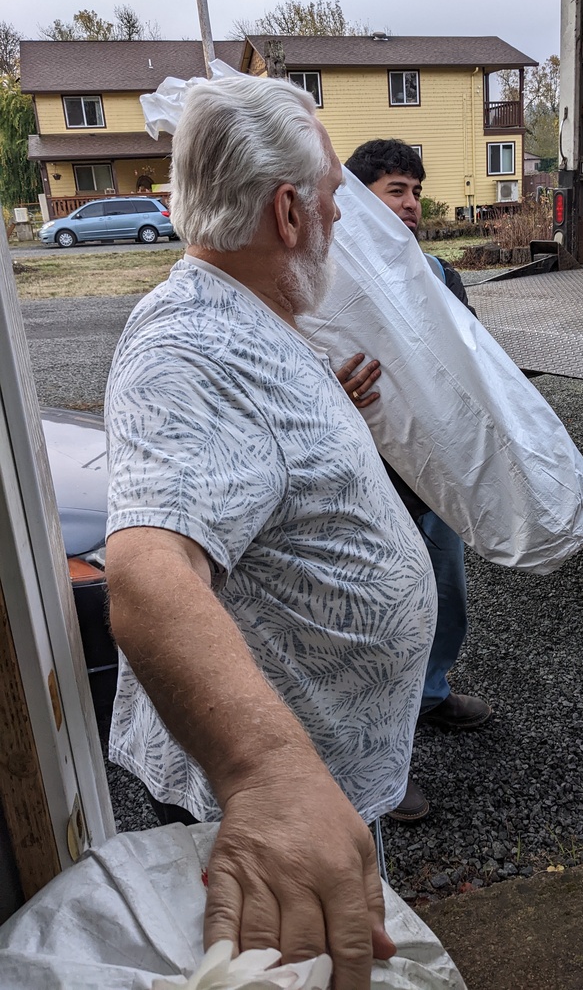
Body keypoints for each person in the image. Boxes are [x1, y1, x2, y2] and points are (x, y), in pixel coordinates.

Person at [103, 77, 438, 990]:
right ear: (288, 211)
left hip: (319, 789)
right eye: (335, 194)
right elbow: (146, 572)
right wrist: (269, 776)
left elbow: (256, 466)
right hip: (254, 819)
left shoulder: (252, 311)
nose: (344, 214)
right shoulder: (188, 347)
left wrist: (332, 410)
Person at [339, 139, 493, 824]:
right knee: (375, 622)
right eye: (396, 190)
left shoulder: (439, 275)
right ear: (356, 198)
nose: (411, 205)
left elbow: (472, 364)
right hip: (366, 485)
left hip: (437, 476)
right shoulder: (329, 281)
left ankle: (430, 693)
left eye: (415, 193)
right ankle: (376, 765)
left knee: (445, 593)